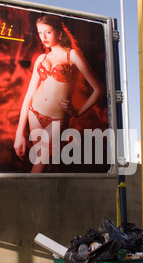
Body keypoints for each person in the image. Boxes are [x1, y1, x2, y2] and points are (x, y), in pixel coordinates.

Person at [14, 14, 102, 173]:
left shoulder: (72, 55)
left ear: (60, 33)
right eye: (40, 33)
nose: (43, 37)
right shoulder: (41, 58)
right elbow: (28, 96)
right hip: (34, 114)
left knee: (41, 162)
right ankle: (49, 196)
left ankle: (25, 196)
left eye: (47, 32)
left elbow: (99, 89)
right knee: (45, 162)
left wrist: (77, 112)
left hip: (57, 119)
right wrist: (19, 132)